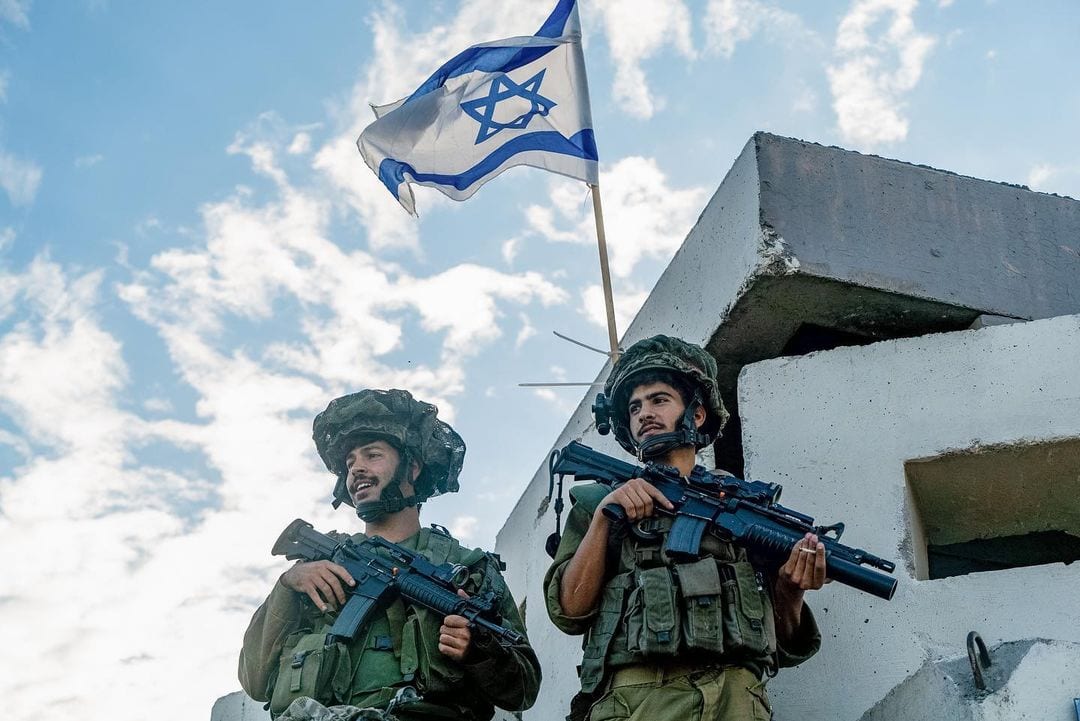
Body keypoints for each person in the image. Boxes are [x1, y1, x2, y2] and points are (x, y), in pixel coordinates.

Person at [544, 336, 824, 721]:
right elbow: (570, 612)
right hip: (639, 700)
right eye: (634, 406)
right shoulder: (601, 501)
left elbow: (786, 643)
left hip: (738, 699)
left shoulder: (747, 510)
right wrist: (606, 517)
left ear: (695, 414)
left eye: (659, 400)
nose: (644, 413)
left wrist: (791, 591)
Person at [240, 389, 541, 721]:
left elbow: (524, 690)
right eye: (350, 462)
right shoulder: (318, 565)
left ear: (411, 468)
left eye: (372, 455)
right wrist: (288, 584)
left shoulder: (466, 568)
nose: (356, 469)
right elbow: (253, 680)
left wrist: (479, 650)